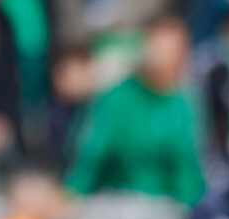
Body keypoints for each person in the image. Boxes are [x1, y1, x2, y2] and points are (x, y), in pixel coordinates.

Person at [66, 15, 208, 205]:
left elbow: (190, 170)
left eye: (171, 50)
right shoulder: (115, 99)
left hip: (173, 211)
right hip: (121, 207)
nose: (163, 57)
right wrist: (70, 197)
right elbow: (90, 156)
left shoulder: (186, 102)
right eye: (158, 48)